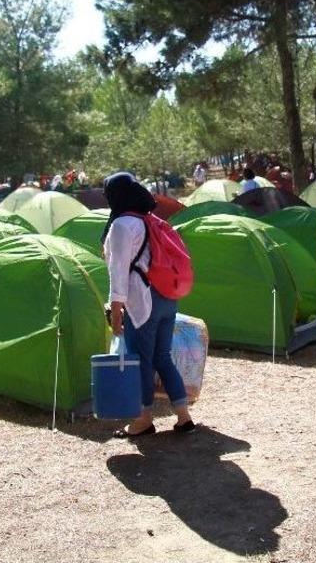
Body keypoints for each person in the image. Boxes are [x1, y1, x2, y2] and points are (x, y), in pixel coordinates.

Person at [102, 172, 194, 437]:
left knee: (141, 360)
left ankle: (142, 419)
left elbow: (118, 271)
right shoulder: (150, 219)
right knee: (162, 357)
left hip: (143, 302)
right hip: (167, 297)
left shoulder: (122, 225)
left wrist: (116, 309)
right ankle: (183, 416)